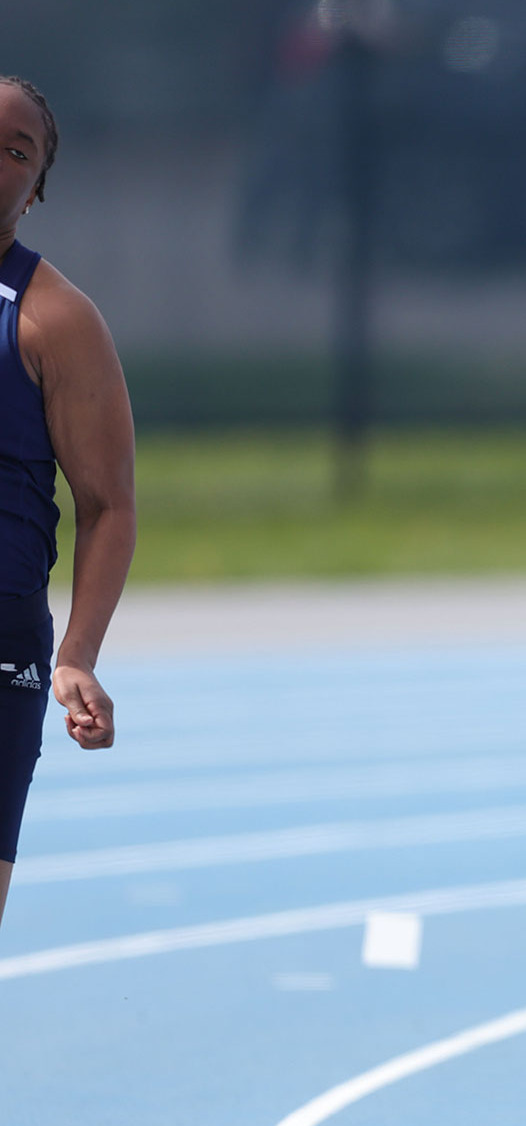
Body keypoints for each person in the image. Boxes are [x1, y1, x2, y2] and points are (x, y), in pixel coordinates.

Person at [0, 76, 138, 928]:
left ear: (37, 184)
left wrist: (77, 656)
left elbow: (108, 504)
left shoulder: (55, 319)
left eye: (16, 150)